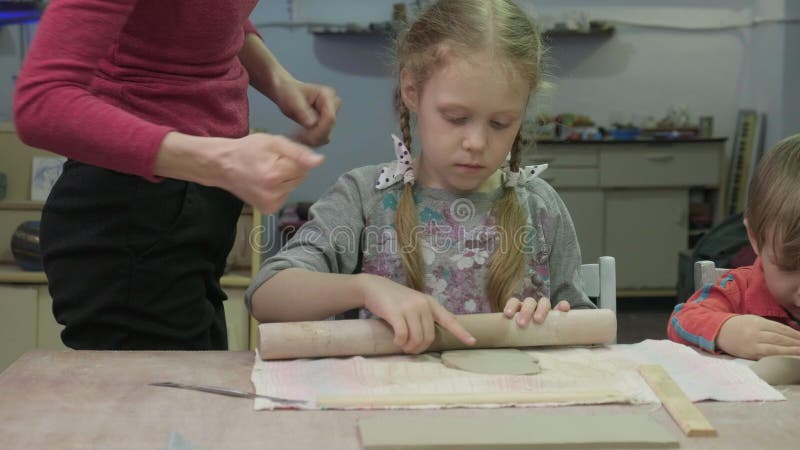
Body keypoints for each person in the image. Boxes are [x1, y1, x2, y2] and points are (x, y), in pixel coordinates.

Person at [246, 0, 594, 355]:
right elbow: (267, 296)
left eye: (500, 123)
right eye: (456, 117)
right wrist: (364, 288)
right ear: (412, 91)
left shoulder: (539, 206)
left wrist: (550, 320)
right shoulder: (365, 198)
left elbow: (585, 332)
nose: (476, 143)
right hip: (388, 406)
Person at [12, 0, 340, 350]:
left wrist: (279, 81)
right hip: (131, 215)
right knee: (167, 398)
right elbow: (41, 103)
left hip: (199, 203)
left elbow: (207, 15)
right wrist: (220, 160)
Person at [668, 134, 800, 360]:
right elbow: (680, 320)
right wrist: (726, 330)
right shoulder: (738, 290)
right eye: (788, 268)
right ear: (755, 239)